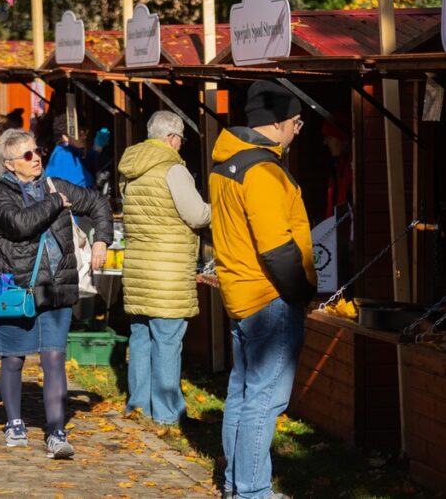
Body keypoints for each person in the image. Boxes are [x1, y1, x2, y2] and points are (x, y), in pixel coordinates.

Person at [209, 80, 316, 499]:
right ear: (278, 122)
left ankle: (236, 484)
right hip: (269, 297)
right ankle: (252, 490)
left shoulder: (227, 163)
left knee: (243, 393)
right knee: (264, 400)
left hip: (240, 292)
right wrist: (301, 292)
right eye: (297, 122)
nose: (298, 131)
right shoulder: (263, 171)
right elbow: (276, 247)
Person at [0, 129, 111, 459]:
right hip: (17, 286)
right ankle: (14, 421)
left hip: (57, 286)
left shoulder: (55, 184)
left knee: (54, 358)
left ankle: (56, 431)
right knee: (13, 358)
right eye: (27, 155)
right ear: (10, 164)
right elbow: (19, 223)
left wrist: (101, 238)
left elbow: (97, 203)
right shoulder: (0, 193)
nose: (36, 158)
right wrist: (56, 203)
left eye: (37, 150)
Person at [118, 111, 210, 426]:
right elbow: (196, 215)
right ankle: (167, 413)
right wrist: (217, 210)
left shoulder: (131, 167)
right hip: (167, 270)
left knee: (141, 337)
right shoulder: (173, 169)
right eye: (180, 139)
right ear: (171, 138)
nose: (181, 145)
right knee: (168, 341)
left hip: (138, 267)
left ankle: (138, 405)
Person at [45, 114, 95, 188]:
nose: (84, 137)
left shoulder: (71, 152)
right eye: (79, 134)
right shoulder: (63, 155)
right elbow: (80, 186)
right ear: (65, 137)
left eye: (85, 132)